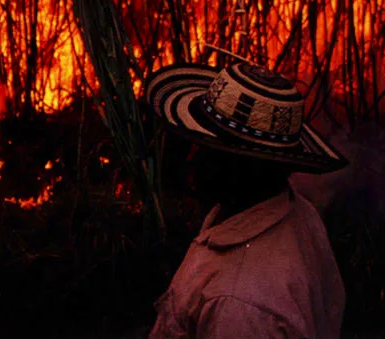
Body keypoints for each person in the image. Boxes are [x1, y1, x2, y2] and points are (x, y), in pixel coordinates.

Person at [145, 61, 349, 339]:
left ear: (246, 168)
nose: (192, 159)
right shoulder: (294, 211)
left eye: (208, 151)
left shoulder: (238, 308)